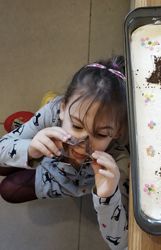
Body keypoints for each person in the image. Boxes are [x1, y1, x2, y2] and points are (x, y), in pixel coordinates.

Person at [0, 56, 130, 250]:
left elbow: (123, 244)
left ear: (118, 131)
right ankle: (31, 128)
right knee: (6, 159)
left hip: (67, 182)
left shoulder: (120, 158)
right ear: (62, 108)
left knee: (8, 190)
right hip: (48, 153)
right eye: (77, 126)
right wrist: (30, 148)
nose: (82, 143)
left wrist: (108, 196)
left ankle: (28, 131)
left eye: (101, 134)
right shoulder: (52, 112)